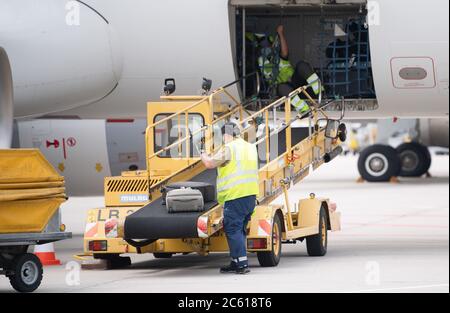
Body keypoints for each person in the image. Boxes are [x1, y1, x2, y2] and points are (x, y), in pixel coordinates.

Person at [201, 123, 259, 275]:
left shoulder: (230, 148)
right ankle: (235, 261)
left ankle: (242, 264)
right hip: (250, 195)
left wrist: (203, 154)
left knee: (233, 229)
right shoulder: (250, 147)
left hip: (235, 196)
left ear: (225, 135)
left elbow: (209, 164)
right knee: (239, 230)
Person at [258, 25, 323, 115]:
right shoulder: (262, 62)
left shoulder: (278, 55)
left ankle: (321, 94)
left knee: (302, 65)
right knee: (282, 88)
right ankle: (304, 109)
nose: (266, 48)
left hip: (295, 81)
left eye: (267, 46)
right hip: (285, 88)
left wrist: (280, 33)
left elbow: (285, 52)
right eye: (263, 47)